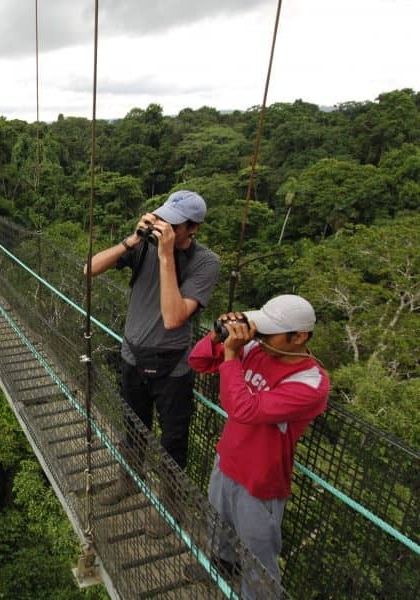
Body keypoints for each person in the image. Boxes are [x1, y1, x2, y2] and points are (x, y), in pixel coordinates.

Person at [84, 190, 220, 516]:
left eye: (173, 224)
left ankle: (171, 510)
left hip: (172, 368)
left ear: (193, 229)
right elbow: (90, 268)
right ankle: (128, 481)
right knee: (132, 428)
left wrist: (166, 256)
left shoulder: (205, 262)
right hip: (132, 357)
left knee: (172, 444)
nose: (164, 228)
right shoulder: (144, 247)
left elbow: (173, 318)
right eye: (162, 219)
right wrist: (133, 239)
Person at [186, 294, 330, 596]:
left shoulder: (311, 383)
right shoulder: (255, 348)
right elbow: (198, 361)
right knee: (217, 523)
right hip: (227, 459)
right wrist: (217, 336)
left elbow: (244, 409)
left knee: (258, 554)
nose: (259, 337)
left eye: (268, 332)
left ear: (299, 336)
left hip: (261, 480)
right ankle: (221, 565)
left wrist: (230, 356)